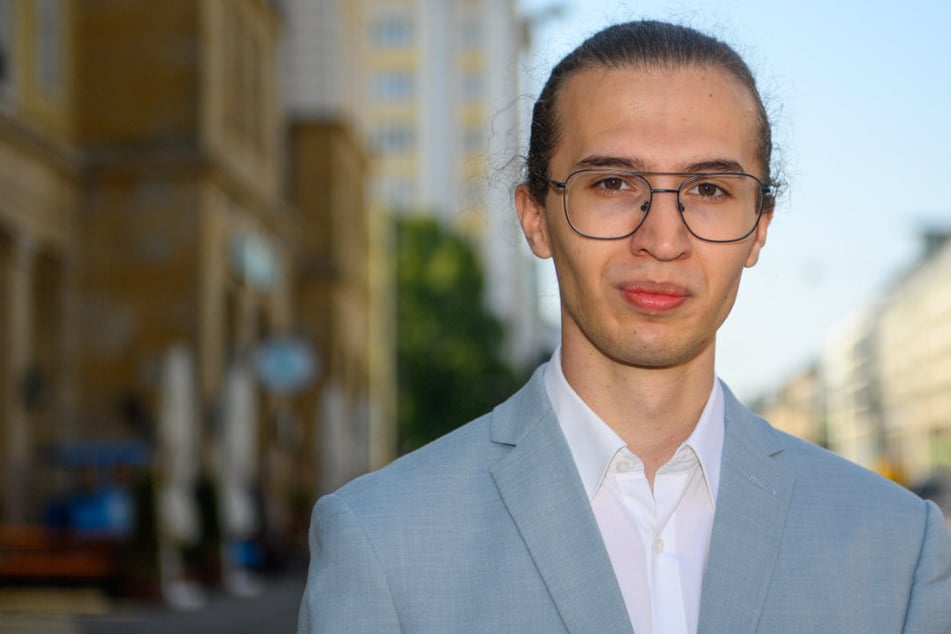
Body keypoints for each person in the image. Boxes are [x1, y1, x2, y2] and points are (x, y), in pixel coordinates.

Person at [298, 20, 951, 633]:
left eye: (708, 190)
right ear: (534, 216)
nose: (662, 239)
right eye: (612, 183)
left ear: (759, 228)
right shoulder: (381, 539)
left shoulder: (897, 548)